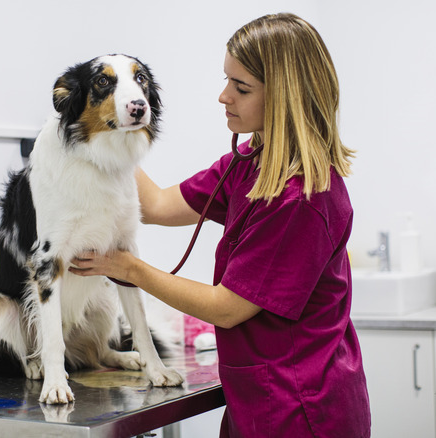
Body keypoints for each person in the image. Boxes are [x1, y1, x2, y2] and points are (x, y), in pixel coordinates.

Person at [69, 13, 371, 438]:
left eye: (241, 87)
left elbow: (226, 309)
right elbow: (155, 205)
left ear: (286, 97)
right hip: (258, 398)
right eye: (227, 80)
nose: (223, 96)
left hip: (301, 408)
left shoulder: (301, 198)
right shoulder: (250, 163)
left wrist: (127, 267)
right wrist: (102, 130)